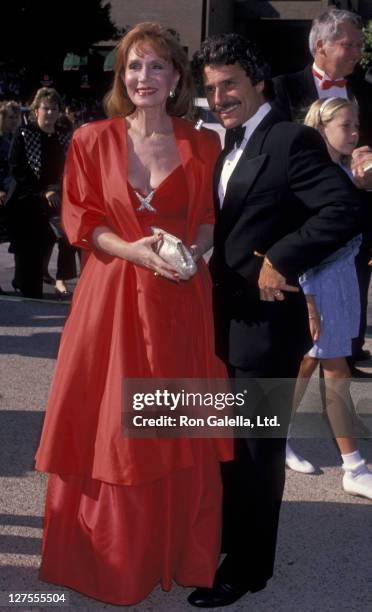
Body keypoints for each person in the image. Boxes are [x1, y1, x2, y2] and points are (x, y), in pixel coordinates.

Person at [34, 22, 232, 606]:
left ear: (176, 78)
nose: (144, 77)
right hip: (112, 297)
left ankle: (173, 551)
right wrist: (132, 249)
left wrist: (193, 253)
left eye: (156, 66)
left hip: (179, 299)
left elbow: (205, 221)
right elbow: (82, 223)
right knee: (113, 428)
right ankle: (113, 560)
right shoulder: (91, 139)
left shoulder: (203, 142)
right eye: (133, 67)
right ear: (123, 77)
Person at [189, 33, 365, 608]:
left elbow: (343, 208)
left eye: (230, 84)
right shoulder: (225, 147)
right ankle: (226, 546)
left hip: (266, 328)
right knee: (232, 446)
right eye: (212, 89)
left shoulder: (290, 140)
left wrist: (283, 257)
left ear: (259, 82)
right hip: (225, 323)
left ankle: (248, 569)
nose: (220, 97)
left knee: (258, 453)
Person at [273, 7, 372, 373]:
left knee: (351, 290)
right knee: (303, 329)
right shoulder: (282, 88)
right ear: (320, 46)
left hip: (352, 217)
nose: (358, 51)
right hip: (299, 218)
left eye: (360, 44)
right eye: (350, 44)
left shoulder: (366, 92)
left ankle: (346, 349)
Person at [285, 97, 372, 500]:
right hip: (317, 281)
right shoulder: (309, 174)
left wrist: (362, 185)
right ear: (321, 127)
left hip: (340, 279)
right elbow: (301, 239)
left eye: (357, 126)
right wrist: (307, 298)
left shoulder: (340, 170)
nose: (355, 134)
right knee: (331, 366)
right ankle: (353, 465)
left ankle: (276, 437)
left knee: (309, 363)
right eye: (347, 126)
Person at [6, 88, 71, 298]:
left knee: (65, 237)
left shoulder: (62, 137)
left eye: (54, 109)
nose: (50, 113)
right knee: (29, 251)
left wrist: (56, 188)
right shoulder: (25, 133)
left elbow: (69, 168)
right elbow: (16, 168)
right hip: (26, 199)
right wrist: (42, 192)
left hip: (54, 197)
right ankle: (28, 289)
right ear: (36, 110)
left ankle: (56, 279)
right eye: (46, 108)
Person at [0, 100, 21, 293]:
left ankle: (19, 278)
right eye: (10, 117)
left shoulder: (18, 136)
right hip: (2, 192)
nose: (14, 121)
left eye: (16, 117)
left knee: (17, 237)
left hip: (14, 192)